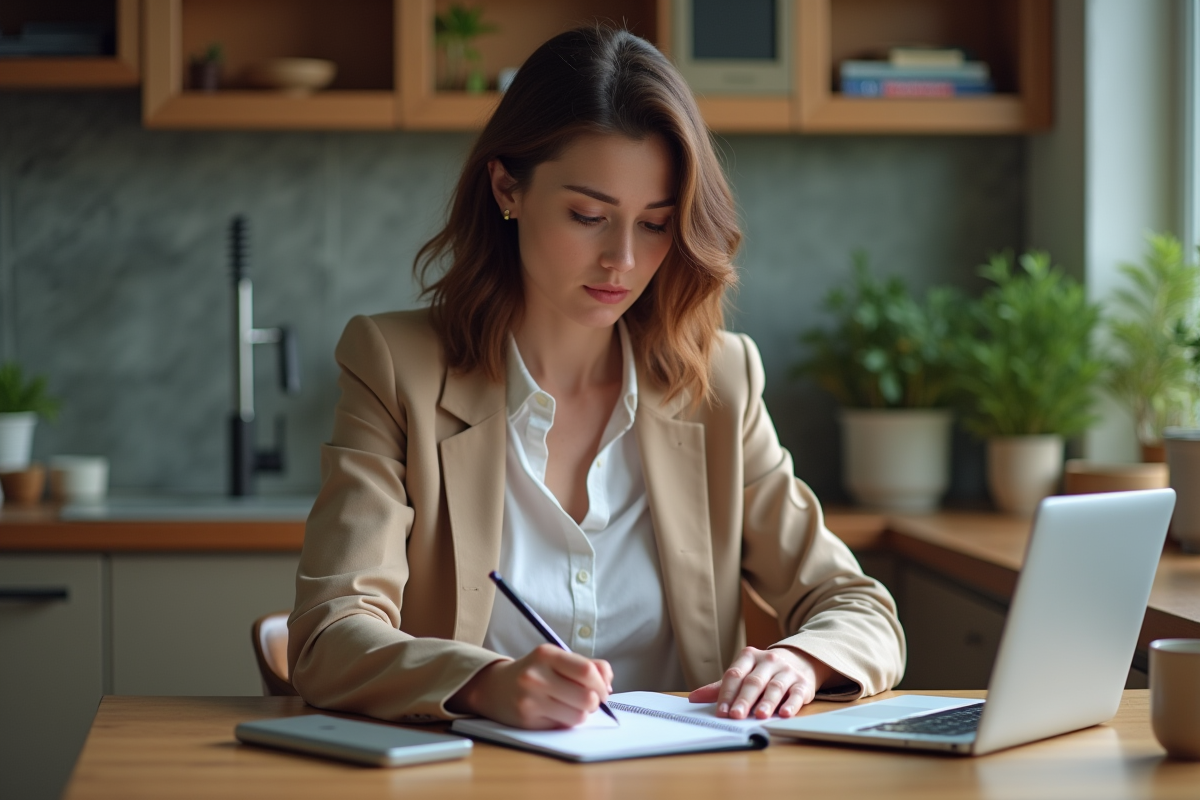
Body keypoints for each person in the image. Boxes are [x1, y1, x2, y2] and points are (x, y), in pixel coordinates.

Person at [288, 25, 904, 730]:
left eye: (655, 224)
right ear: (506, 187)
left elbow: (859, 608)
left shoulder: (719, 382)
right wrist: (484, 684)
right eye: (588, 216)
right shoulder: (396, 367)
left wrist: (802, 660)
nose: (623, 260)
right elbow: (329, 633)